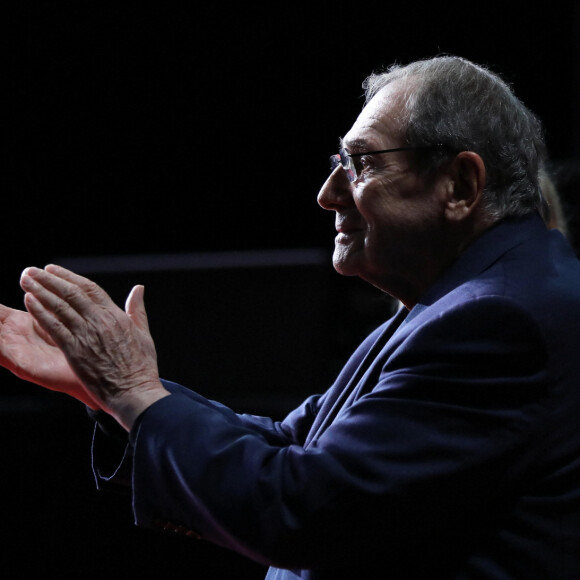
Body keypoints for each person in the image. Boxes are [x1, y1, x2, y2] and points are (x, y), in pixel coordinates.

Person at [1, 55, 579, 579]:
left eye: (361, 164)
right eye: (339, 162)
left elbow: (302, 507)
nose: (328, 194)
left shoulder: (496, 322)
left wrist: (131, 390)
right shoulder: (463, 302)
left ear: (460, 184)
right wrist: (105, 388)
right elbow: (290, 444)